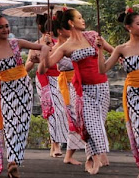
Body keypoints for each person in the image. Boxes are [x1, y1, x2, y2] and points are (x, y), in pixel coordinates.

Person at [42, 8, 114, 175]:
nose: (83, 20)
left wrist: (101, 49)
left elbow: (114, 52)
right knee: (89, 124)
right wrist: (45, 48)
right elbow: (47, 65)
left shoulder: (92, 35)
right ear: (71, 22)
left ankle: (90, 156)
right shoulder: (65, 46)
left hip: (102, 85)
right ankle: (96, 157)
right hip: (82, 89)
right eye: (79, 18)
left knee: (99, 122)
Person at [0, 12, 49, 178]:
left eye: (7, 26)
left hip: (23, 87)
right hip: (6, 91)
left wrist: (43, 62)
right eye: (1, 27)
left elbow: (44, 47)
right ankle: (12, 161)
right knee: (10, 124)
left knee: (22, 124)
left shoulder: (16, 43)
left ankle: (14, 162)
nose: (5, 29)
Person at [97, 8, 139, 178]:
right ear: (128, 27)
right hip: (134, 95)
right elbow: (103, 69)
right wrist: (100, 50)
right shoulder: (121, 49)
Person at [25, 14, 67, 158]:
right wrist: (34, 59)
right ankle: (55, 144)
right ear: (40, 28)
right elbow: (26, 68)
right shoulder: (35, 44)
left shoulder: (59, 43)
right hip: (44, 79)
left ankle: (56, 143)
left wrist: (50, 48)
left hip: (60, 78)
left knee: (62, 110)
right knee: (53, 111)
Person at [51, 15, 85, 166]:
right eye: (66, 28)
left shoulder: (77, 42)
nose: (69, 30)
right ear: (59, 31)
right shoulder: (57, 48)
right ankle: (68, 153)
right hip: (67, 83)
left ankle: (97, 153)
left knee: (84, 116)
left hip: (81, 81)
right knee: (74, 117)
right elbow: (53, 64)